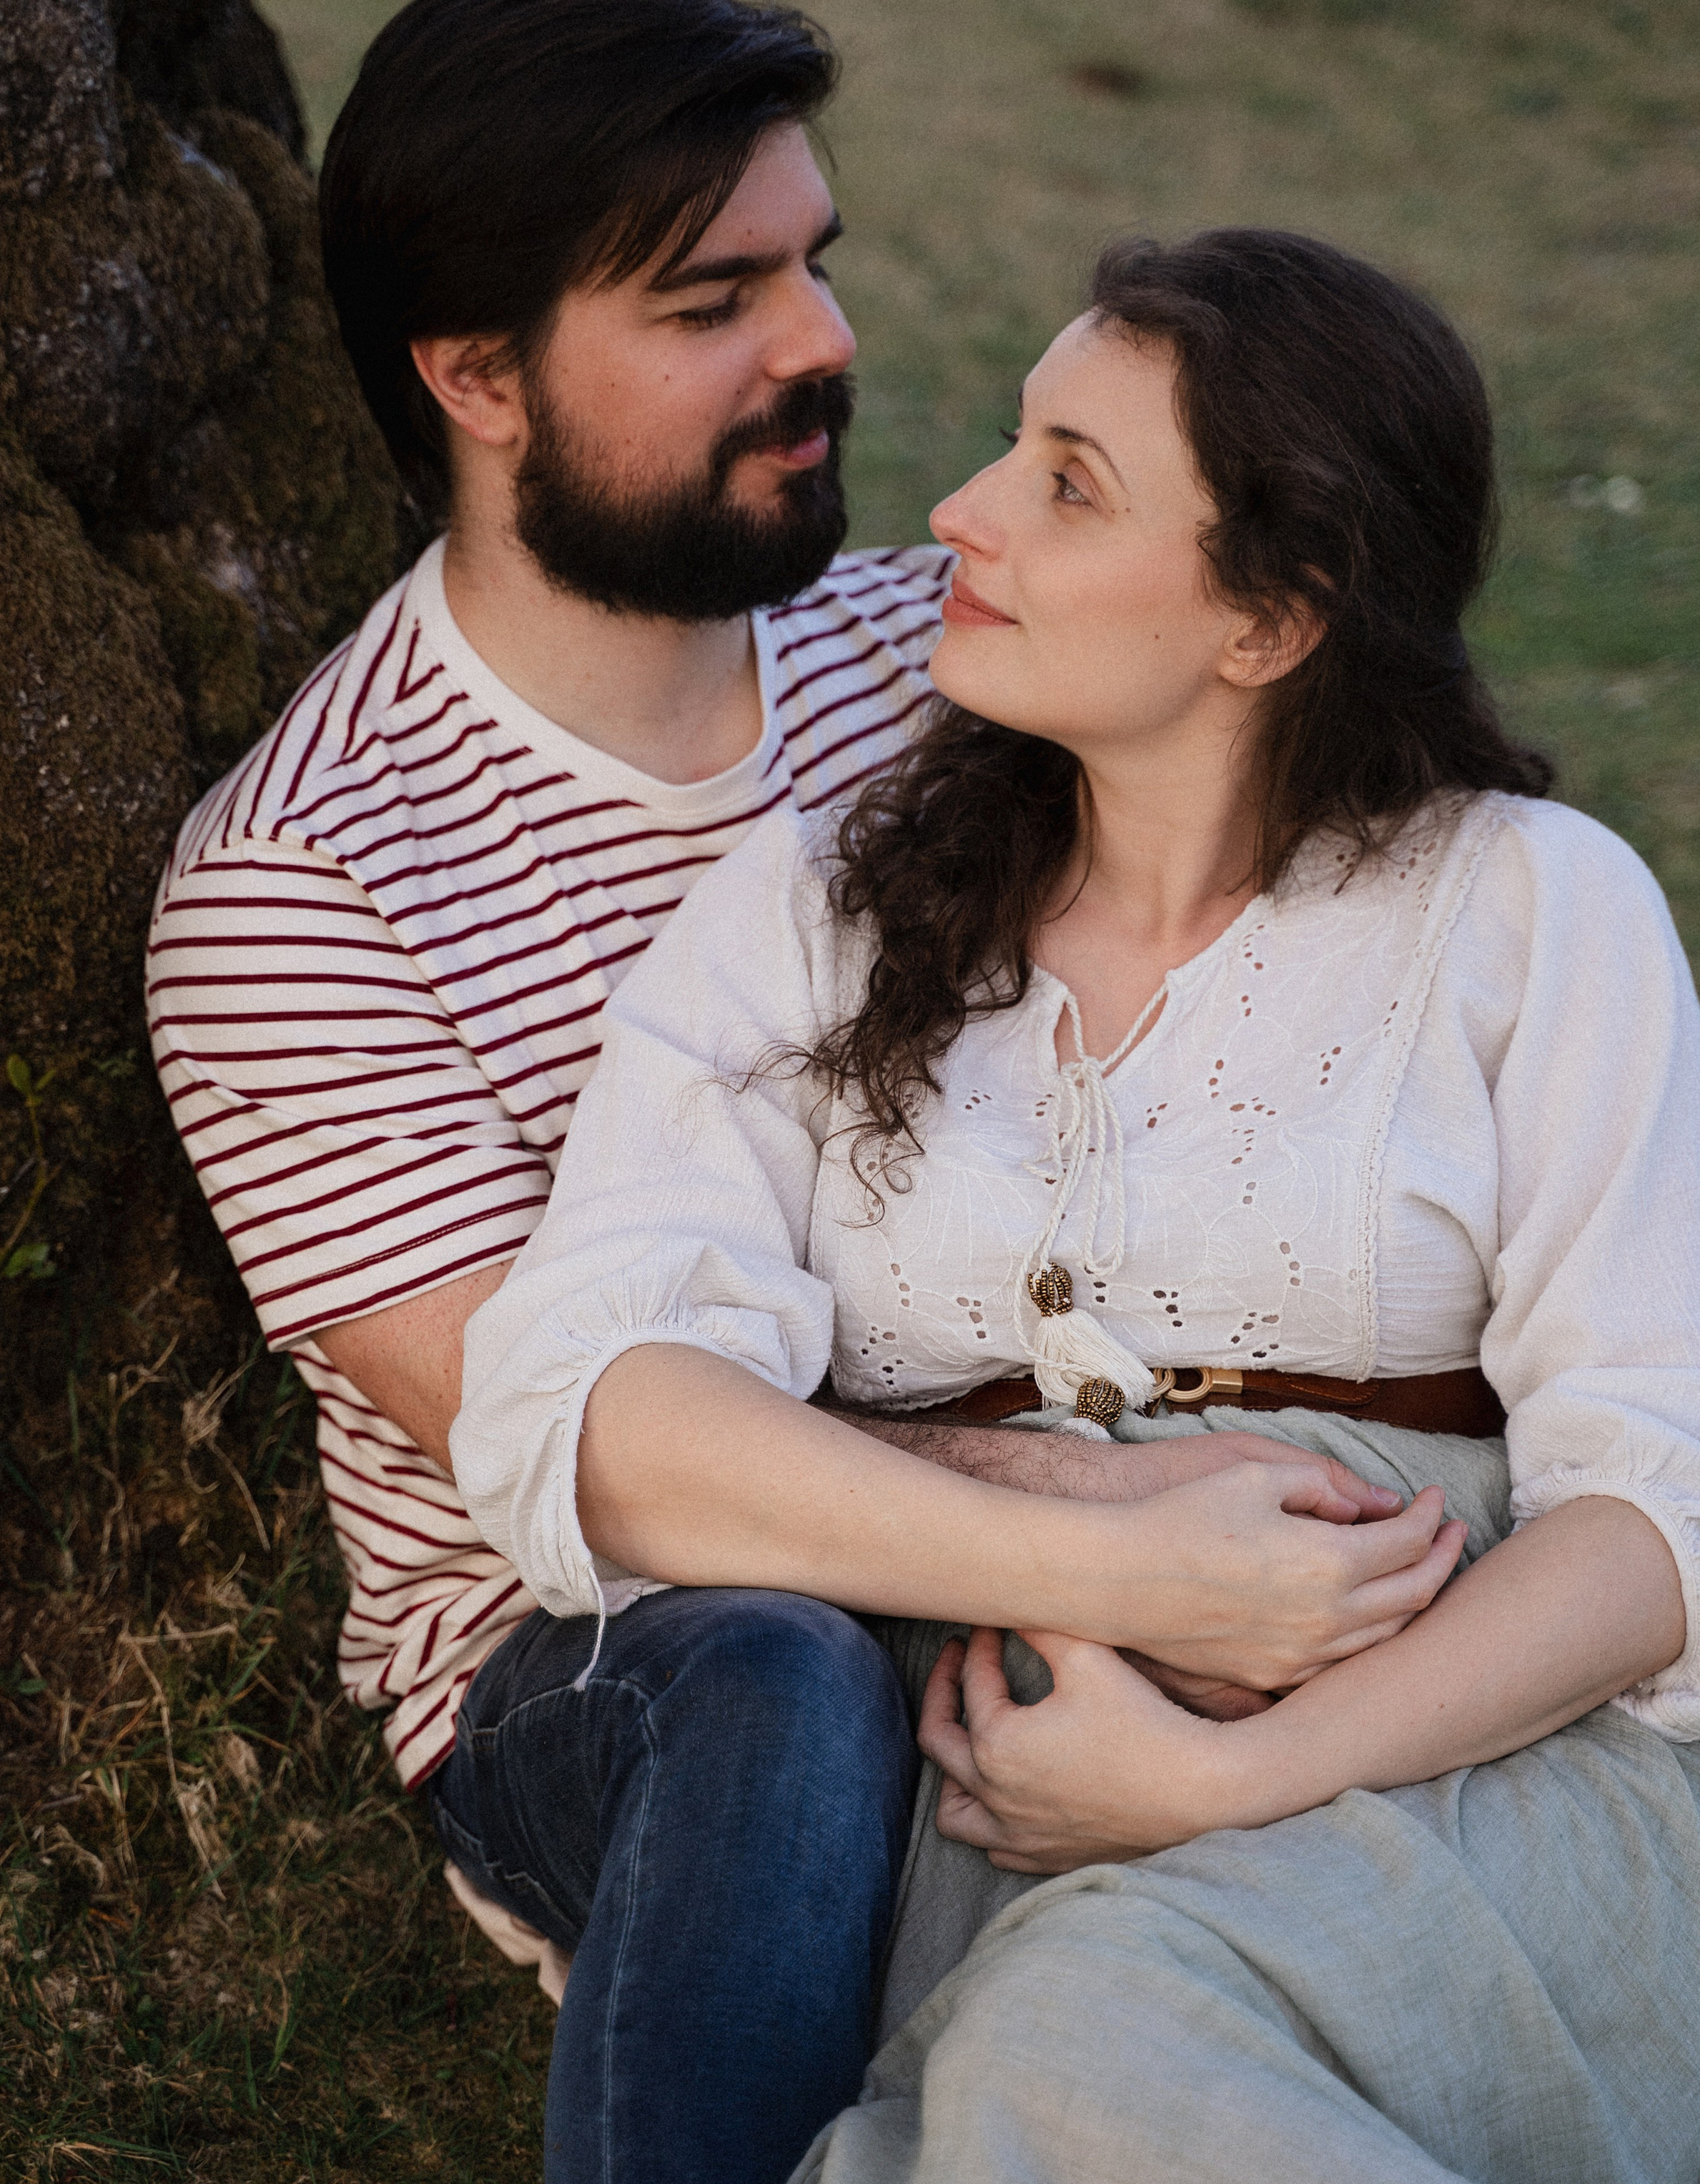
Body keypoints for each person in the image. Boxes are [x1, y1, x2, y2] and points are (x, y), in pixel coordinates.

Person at [147, 0, 1408, 2183]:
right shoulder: (301, 891)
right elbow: (611, 1463)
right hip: (599, 1656)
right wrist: (1123, 1536)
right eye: (714, 298)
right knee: (780, 1664)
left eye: (812, 262)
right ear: (477, 373)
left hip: (1072, 1445)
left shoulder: (926, 670)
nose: (821, 341)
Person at [452, 229, 1700, 2183]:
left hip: (1467, 1779)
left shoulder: (1532, 907)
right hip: (999, 1783)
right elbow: (599, 1417)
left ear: (1272, 618)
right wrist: (1119, 1579)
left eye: (1067, 480)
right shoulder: (816, 920)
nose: (960, 509)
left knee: (1080, 2049)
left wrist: (1228, 1773)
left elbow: (1661, 1508)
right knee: (1035, 2076)